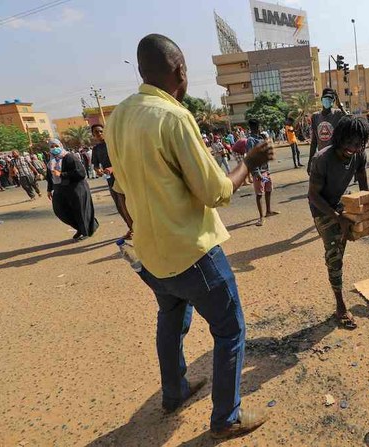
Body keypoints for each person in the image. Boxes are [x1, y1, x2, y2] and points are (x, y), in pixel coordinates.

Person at [105, 33, 274, 440]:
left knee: (170, 317)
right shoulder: (175, 117)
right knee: (230, 329)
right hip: (192, 252)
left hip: (150, 252)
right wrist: (248, 163)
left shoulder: (119, 117)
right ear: (180, 71)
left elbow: (121, 189)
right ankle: (226, 418)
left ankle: (175, 390)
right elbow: (215, 191)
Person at [308, 115, 369, 329]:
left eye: (358, 144)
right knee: (335, 253)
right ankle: (340, 305)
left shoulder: (358, 154)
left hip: (343, 203)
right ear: (339, 138)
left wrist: (368, 208)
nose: (353, 148)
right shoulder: (322, 160)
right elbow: (313, 196)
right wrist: (337, 218)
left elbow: (363, 183)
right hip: (323, 209)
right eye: (349, 143)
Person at [46, 139, 99, 241]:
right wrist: (49, 189)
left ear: (60, 145)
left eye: (56, 145)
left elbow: (81, 173)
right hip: (60, 189)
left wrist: (62, 174)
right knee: (60, 210)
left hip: (76, 187)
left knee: (79, 210)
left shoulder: (69, 157)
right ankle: (79, 227)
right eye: (52, 147)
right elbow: (49, 177)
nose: (54, 148)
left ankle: (85, 231)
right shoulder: (51, 161)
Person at [91, 123, 133, 240]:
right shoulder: (96, 149)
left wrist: (113, 168)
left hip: (123, 178)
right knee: (120, 207)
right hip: (110, 180)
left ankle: (137, 228)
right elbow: (95, 164)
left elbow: (125, 158)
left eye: (100, 131)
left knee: (127, 205)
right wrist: (98, 170)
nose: (99, 134)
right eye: (96, 133)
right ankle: (131, 228)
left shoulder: (114, 143)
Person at [246, 118, 278, 226]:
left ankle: (268, 211)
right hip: (258, 171)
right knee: (259, 193)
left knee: (268, 190)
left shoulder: (261, 138)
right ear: (255, 127)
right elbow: (251, 157)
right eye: (258, 126)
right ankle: (261, 217)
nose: (260, 128)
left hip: (266, 170)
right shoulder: (250, 140)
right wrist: (256, 172)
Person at [307, 88, 347, 174]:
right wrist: (310, 161)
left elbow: (351, 120)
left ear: (333, 101)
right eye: (325, 98)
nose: (327, 101)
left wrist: (340, 106)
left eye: (330, 99)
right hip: (322, 157)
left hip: (336, 156)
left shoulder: (338, 114)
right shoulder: (315, 116)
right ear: (321, 100)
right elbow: (314, 141)